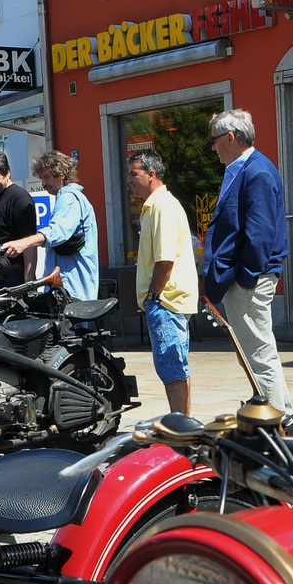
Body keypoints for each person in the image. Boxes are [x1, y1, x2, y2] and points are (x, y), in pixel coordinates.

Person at [204, 108, 293, 418]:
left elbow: (260, 233)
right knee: (257, 351)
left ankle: (276, 421)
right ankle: (280, 415)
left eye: (215, 140)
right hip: (246, 276)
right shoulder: (244, 169)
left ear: (230, 138)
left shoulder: (256, 172)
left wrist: (246, 278)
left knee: (257, 352)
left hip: (249, 279)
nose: (213, 146)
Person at [127, 151, 198, 415]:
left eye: (134, 174)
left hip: (166, 301)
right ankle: (184, 423)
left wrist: (153, 297)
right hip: (167, 301)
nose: (129, 181)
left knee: (172, 367)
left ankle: (182, 427)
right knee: (176, 366)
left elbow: (165, 260)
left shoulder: (161, 206)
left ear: (152, 175)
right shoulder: (154, 206)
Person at [3, 151, 97, 299]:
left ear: (62, 175)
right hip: (68, 288)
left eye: (47, 177)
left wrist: (24, 243)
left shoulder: (69, 199)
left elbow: (57, 232)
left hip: (71, 289)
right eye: (41, 178)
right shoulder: (67, 199)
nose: (43, 183)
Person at [0, 149, 38, 291]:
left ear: (8, 173)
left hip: (12, 277)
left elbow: (29, 243)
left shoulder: (19, 199)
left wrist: (28, 283)